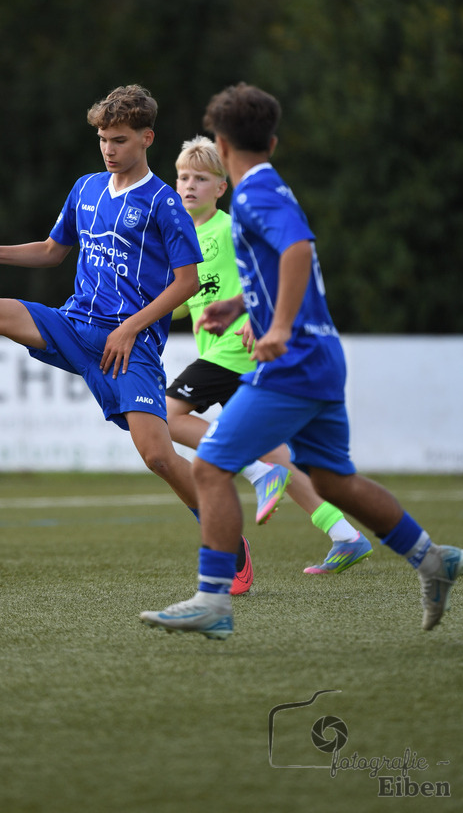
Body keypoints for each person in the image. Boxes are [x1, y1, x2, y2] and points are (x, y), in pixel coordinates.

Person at [140, 82, 463, 639]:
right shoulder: (269, 187)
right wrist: (243, 305)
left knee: (211, 465)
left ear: (222, 145)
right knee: (334, 481)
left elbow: (298, 250)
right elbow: (282, 264)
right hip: (321, 356)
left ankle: (213, 600)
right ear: (271, 141)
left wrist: (280, 327)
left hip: (294, 360)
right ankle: (432, 559)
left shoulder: (254, 195)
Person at [0, 84, 209, 517]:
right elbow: (51, 251)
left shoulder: (164, 203)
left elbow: (187, 283)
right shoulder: (86, 188)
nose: (109, 149)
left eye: (119, 140)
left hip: (128, 347)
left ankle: (225, 535)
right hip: (74, 325)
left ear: (147, 138)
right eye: (102, 139)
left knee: (158, 458)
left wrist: (129, 328)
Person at [166, 135, 372, 592]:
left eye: (201, 178)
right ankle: (345, 534)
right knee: (276, 452)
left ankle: (258, 474)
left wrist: (256, 320)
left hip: (234, 350)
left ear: (222, 187)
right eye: (183, 177)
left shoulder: (227, 229)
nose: (190, 185)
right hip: (222, 353)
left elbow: (274, 271)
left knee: (167, 415)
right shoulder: (183, 239)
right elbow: (181, 303)